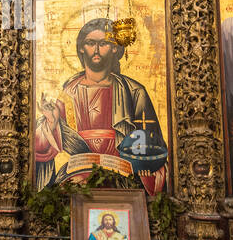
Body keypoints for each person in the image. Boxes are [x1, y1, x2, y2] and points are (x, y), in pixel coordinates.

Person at [33, 18, 167, 194]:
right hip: (76, 176)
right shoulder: (67, 94)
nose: (96, 50)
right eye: (90, 43)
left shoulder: (134, 92)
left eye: (103, 43)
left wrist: (144, 166)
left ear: (114, 48)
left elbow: (154, 145)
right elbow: (41, 148)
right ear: (81, 47)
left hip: (123, 176)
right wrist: (51, 123)